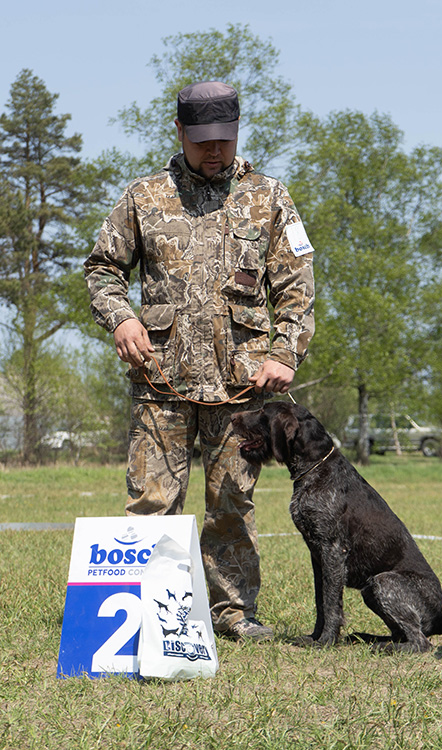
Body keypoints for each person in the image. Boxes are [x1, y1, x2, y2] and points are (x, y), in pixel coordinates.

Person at [84, 81, 315, 640]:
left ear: (237, 133)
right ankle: (139, 616)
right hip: (161, 381)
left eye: (225, 139)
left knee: (232, 503)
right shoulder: (144, 196)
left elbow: (297, 286)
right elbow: (102, 269)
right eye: (204, 140)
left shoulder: (270, 198)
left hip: (242, 388)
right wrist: (122, 318)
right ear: (181, 132)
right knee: (152, 504)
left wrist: (285, 352)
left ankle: (232, 614)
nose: (215, 150)